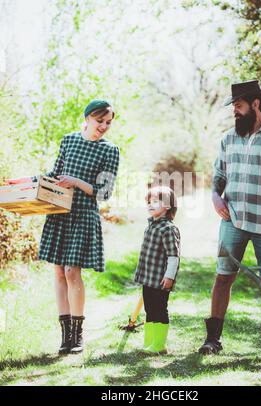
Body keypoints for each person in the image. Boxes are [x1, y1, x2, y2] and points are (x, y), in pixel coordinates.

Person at [6, 99, 120, 354]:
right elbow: (55, 174)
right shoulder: (69, 140)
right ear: (88, 117)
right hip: (60, 213)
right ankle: (65, 336)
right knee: (58, 273)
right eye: (99, 121)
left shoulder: (110, 150)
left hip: (83, 214)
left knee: (71, 272)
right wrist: (25, 181)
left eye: (108, 123)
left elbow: (104, 193)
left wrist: (77, 181)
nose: (104, 126)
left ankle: (78, 336)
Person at [198, 80, 261, 359]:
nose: (235, 112)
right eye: (234, 108)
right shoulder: (228, 138)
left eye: (239, 106)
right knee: (222, 278)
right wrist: (216, 198)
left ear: (256, 104)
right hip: (232, 222)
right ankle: (212, 340)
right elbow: (217, 177)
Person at [134, 186, 181, 354]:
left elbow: (173, 256)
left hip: (160, 279)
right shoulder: (151, 226)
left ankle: (160, 345)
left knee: (159, 308)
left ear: (167, 206)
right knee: (149, 308)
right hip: (148, 277)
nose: (150, 205)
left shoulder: (168, 228)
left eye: (155, 201)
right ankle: (149, 342)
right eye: (149, 202)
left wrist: (169, 276)